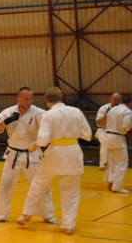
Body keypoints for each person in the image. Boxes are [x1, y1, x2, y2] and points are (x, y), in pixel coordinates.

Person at [16, 87, 92, 235]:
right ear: (61, 98)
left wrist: (35, 146)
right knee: (71, 191)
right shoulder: (76, 112)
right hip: (73, 151)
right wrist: (71, 134)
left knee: (39, 183)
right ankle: (68, 226)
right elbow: (87, 135)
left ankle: (27, 214)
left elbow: (43, 139)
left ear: (48, 101)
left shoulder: (48, 114)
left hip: (56, 151)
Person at [0, 87, 57, 224]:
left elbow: (49, 128)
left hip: (32, 152)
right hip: (13, 153)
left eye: (31, 98)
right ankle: (1, 214)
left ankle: (48, 214)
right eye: (26, 99)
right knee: (5, 184)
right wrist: (7, 121)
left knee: (41, 185)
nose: (29, 101)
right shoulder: (8, 112)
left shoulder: (38, 113)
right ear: (18, 98)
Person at [102, 95, 132, 194]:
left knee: (113, 162)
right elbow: (126, 125)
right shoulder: (127, 111)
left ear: (121, 101)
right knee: (122, 163)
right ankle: (117, 187)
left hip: (107, 136)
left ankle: (111, 182)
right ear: (130, 103)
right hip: (117, 138)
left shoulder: (112, 110)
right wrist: (127, 129)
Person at [95, 93, 121, 171]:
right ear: (111, 99)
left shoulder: (121, 109)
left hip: (115, 132)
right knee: (105, 141)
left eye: (118, 101)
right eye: (115, 100)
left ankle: (113, 164)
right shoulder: (104, 108)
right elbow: (99, 123)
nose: (116, 102)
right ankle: (103, 163)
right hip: (103, 130)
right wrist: (106, 115)